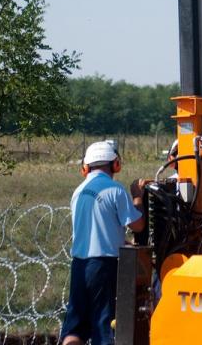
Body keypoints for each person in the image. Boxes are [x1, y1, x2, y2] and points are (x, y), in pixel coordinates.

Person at [60, 140, 147, 345]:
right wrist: (137, 197)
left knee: (75, 329)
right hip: (104, 266)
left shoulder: (78, 192)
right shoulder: (115, 190)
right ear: (115, 164)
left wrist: (119, 239)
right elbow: (138, 225)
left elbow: (94, 229)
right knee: (103, 326)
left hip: (80, 264)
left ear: (85, 168)